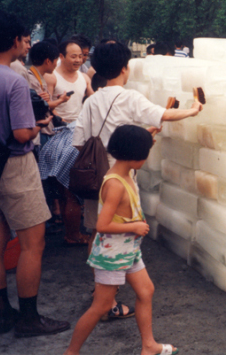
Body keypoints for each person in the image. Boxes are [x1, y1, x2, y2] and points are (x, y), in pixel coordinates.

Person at [72, 42, 203, 320]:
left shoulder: (91, 100)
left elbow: (78, 142)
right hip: (119, 177)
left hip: (93, 177)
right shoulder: (128, 97)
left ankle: (101, 293)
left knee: (97, 233)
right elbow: (163, 113)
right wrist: (193, 110)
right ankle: (109, 302)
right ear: (124, 68)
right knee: (122, 233)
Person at [0, 11, 70, 337]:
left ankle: (3, 313)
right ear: (14, 41)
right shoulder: (13, 80)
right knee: (32, 245)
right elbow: (22, 134)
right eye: (25, 39)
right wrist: (41, 123)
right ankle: (30, 319)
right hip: (13, 166)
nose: (27, 45)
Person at [64, 125, 179, 355]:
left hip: (128, 250)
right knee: (101, 306)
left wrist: (147, 138)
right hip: (112, 255)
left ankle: (148, 346)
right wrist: (134, 225)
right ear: (136, 156)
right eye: (145, 154)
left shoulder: (125, 170)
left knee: (146, 291)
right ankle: (71, 352)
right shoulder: (116, 184)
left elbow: (133, 154)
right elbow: (102, 225)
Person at [47, 40, 93, 123]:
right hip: (57, 127)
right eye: (73, 57)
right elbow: (47, 105)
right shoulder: (51, 77)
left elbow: (94, 99)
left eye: (80, 56)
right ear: (61, 56)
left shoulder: (84, 78)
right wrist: (63, 122)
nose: (78, 60)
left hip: (78, 126)